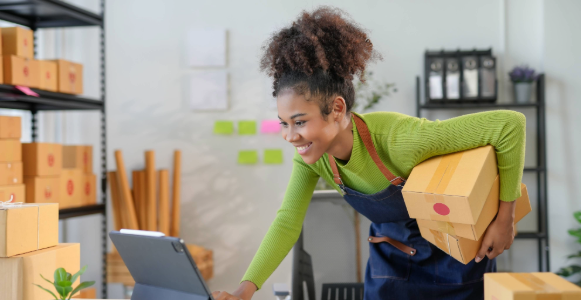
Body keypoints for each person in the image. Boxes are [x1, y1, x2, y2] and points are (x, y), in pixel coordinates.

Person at [212, 6, 524, 300]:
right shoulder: (313, 160)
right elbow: (287, 221)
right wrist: (244, 291)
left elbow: (509, 125)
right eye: (283, 123)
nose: (290, 136)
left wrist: (504, 219)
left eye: (300, 122)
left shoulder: (399, 138)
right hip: (389, 264)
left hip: (455, 264)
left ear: (336, 109)